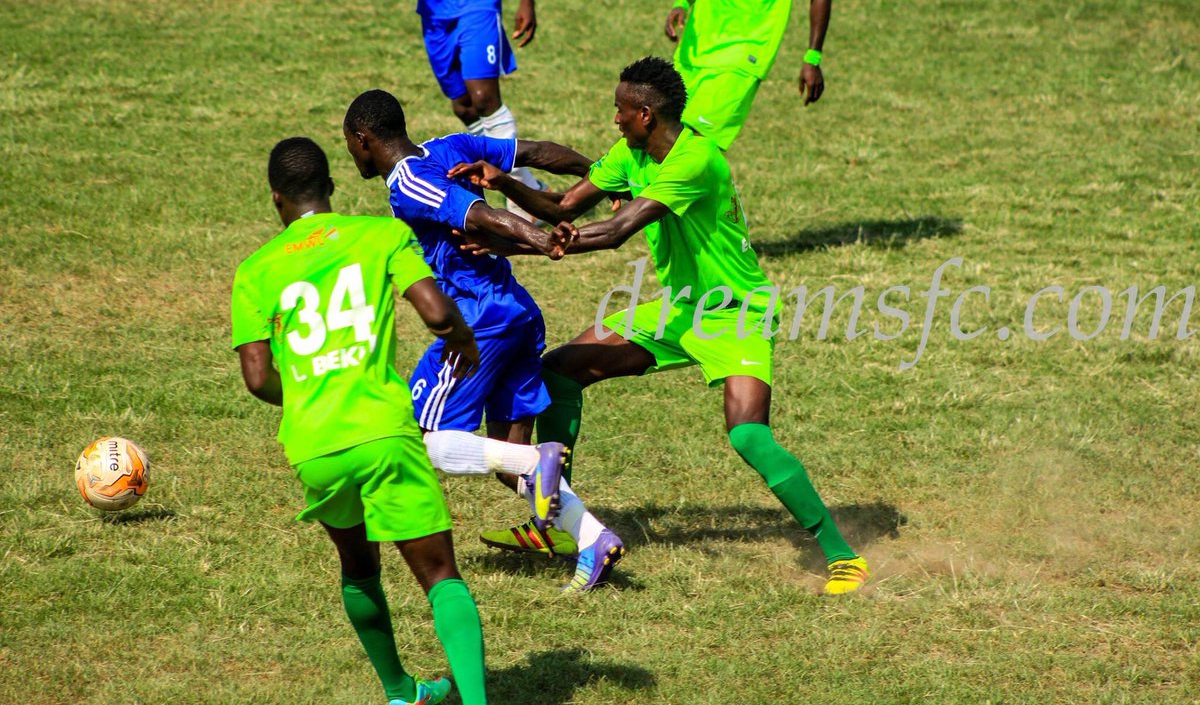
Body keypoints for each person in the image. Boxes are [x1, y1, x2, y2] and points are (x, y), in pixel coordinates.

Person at [451, 57, 870, 595]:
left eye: (620, 110)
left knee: (748, 435)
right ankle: (555, 523)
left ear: (646, 114)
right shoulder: (630, 154)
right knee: (559, 372)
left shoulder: (695, 160)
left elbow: (616, 231)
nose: (615, 119)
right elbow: (563, 206)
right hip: (679, 309)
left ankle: (842, 555)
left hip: (735, 313)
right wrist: (504, 182)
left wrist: (515, 243)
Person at [231, 137, 489, 704]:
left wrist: (309, 393)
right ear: (330, 187)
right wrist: (465, 343)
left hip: (314, 445)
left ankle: (401, 692)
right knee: (440, 576)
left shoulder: (254, 272)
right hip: (382, 432)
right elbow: (437, 313)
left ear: (276, 199)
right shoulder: (380, 235)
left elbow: (257, 378)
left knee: (358, 568)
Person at [342, 90, 626, 592]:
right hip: (517, 313)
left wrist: (541, 238)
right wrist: (603, 175)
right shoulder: (448, 146)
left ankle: (537, 462)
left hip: (479, 322)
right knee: (507, 458)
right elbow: (535, 152)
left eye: (349, 144)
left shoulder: (408, 181)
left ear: (363, 140)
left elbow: (477, 215)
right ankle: (594, 539)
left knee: (424, 439)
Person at [358, 0, 549, 216]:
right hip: (434, 8)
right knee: (464, 106)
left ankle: (521, 203)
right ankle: (531, 186)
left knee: (484, 98)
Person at [663, 0, 832, 150]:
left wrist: (812, 57)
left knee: (697, 141)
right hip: (697, 43)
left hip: (748, 48)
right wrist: (681, 3)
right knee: (663, 130)